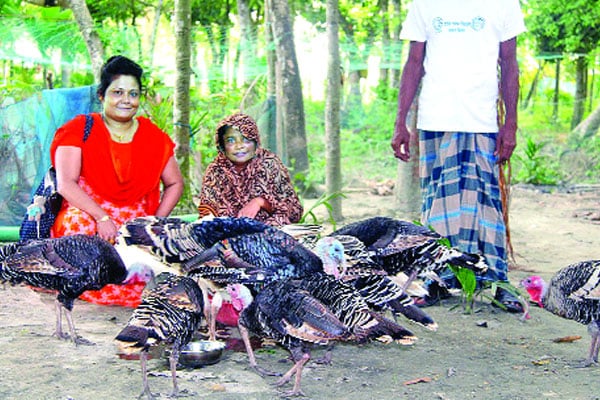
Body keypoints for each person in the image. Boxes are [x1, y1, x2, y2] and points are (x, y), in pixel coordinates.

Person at [391, 0, 526, 312]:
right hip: (435, 119)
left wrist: (511, 124)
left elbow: (510, 63)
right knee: (437, 203)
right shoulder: (423, 4)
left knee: (486, 203)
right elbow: (413, 62)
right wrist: (401, 122)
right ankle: (436, 280)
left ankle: (497, 282)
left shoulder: (504, 4)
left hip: (482, 121)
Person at [51, 55, 183, 244]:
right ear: (101, 95)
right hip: (89, 217)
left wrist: (155, 222)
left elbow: (175, 183)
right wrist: (102, 218)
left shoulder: (153, 136)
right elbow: (66, 184)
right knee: (78, 225)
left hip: (135, 223)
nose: (126, 100)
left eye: (133, 94)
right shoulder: (78, 129)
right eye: (117, 92)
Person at [197, 112, 303, 226]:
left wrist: (260, 202)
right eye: (231, 140)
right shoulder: (215, 171)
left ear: (255, 141)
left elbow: (294, 211)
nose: (239, 146)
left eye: (246, 139)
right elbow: (207, 213)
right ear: (222, 145)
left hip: (269, 234)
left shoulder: (270, 164)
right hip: (227, 236)